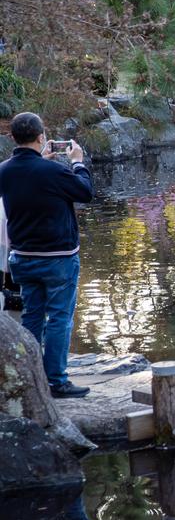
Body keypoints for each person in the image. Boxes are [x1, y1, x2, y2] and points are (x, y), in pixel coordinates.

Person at [0, 113, 93, 398]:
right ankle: (57, 381)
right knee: (60, 318)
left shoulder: (4, 170)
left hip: (23, 257)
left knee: (32, 317)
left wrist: (46, 161)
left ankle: (32, 376)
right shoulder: (52, 172)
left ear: (13, 138)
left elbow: (28, 181)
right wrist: (77, 161)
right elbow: (85, 191)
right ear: (41, 137)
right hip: (58, 257)